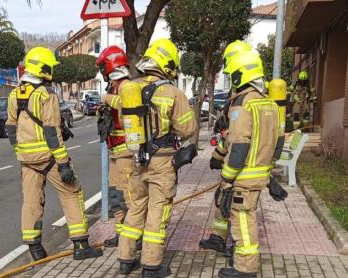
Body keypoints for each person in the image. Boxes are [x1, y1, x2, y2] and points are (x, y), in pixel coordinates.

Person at [5, 47, 103, 261]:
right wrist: (63, 163)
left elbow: (11, 128)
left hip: (27, 161)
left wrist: (19, 151)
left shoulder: (14, 94)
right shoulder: (46, 95)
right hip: (50, 158)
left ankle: (35, 250)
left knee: (31, 202)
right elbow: (51, 132)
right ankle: (80, 245)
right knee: (71, 193)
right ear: (42, 69)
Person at [118, 38, 197, 277]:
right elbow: (187, 129)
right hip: (162, 161)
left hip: (136, 158)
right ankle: (152, 266)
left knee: (135, 208)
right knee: (157, 211)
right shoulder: (172, 92)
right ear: (168, 64)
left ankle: (125, 259)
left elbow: (124, 120)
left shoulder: (130, 89)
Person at [212, 51, 282, 278]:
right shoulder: (269, 103)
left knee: (243, 218)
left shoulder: (243, 104)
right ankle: (240, 258)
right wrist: (269, 170)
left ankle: (245, 268)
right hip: (260, 173)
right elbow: (278, 140)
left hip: (244, 176)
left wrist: (228, 177)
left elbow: (239, 145)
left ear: (239, 75)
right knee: (246, 215)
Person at [200, 40, 253, 253]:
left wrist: (229, 171)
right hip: (232, 160)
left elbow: (239, 138)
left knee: (234, 205)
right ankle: (218, 238)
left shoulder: (247, 99)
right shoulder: (236, 96)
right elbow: (228, 135)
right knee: (223, 200)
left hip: (241, 165)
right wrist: (218, 155)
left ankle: (234, 244)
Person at [96, 46, 140, 248]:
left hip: (126, 150)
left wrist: (107, 100)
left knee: (128, 194)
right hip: (114, 149)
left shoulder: (127, 87)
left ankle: (136, 235)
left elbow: (125, 106)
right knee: (116, 195)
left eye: (103, 67)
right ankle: (120, 232)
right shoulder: (114, 87)